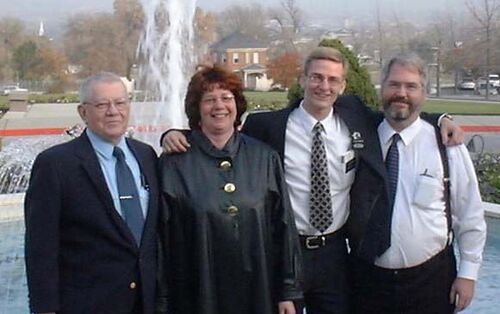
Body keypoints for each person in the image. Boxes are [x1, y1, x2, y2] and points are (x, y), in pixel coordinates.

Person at [161, 47, 462, 314]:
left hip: (334, 254)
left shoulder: (356, 119)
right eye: (317, 77)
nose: (324, 86)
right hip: (284, 254)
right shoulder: (267, 127)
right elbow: (221, 137)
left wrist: (441, 119)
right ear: (303, 81)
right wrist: (178, 135)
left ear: (343, 86)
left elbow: (400, 110)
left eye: (333, 80)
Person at [157, 65, 302, 314]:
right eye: (209, 99)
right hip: (196, 292)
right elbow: (161, 239)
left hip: (258, 290)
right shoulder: (174, 163)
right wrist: (162, 302)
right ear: (197, 109)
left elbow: (283, 227)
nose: (219, 106)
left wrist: (287, 291)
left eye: (226, 98)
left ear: (237, 105)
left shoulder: (264, 157)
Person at [350, 54, 487, 314]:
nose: (401, 93)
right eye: (394, 84)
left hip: (431, 281)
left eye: (411, 86)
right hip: (366, 282)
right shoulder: (361, 137)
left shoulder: (446, 146)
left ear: (424, 93)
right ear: (382, 88)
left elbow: (469, 213)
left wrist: (468, 274)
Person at [24, 72, 161, 314]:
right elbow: (40, 246)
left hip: (146, 302)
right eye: (101, 104)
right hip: (87, 304)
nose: (113, 111)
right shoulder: (56, 164)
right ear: (83, 112)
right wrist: (44, 308)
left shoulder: (146, 155)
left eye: (120, 103)